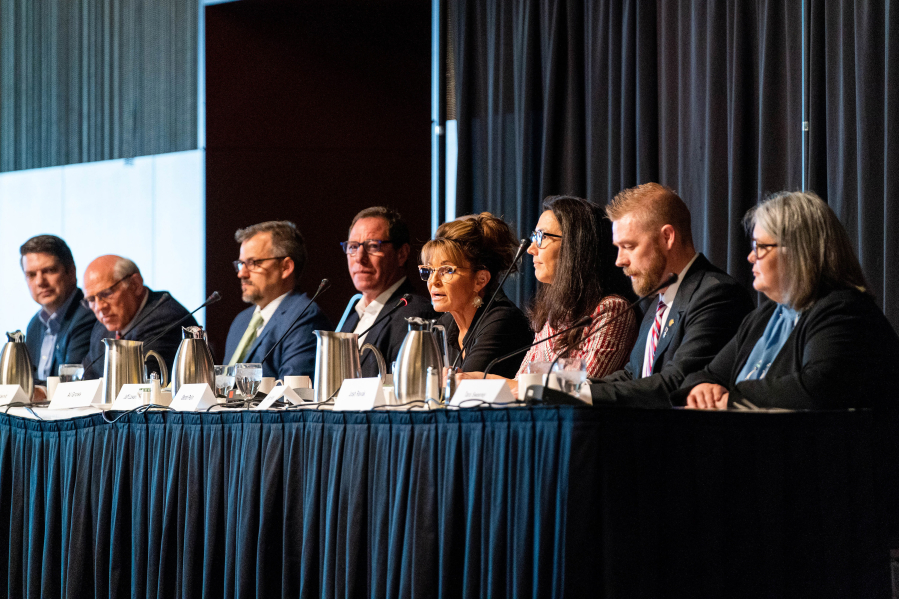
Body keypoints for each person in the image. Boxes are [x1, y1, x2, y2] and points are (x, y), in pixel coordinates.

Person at [678, 190, 899, 410]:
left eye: (760, 247)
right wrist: (702, 387)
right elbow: (705, 375)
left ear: (798, 252)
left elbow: (817, 388)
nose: (750, 256)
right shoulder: (761, 319)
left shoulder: (844, 312)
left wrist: (731, 399)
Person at [588, 183, 755, 407]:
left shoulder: (717, 296)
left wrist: (581, 396)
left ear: (667, 237)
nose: (619, 261)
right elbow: (633, 375)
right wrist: (565, 388)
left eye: (628, 246)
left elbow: (675, 383)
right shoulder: (660, 301)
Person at [420, 212, 533, 379]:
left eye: (447, 270)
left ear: (480, 280)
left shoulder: (502, 321)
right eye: (428, 270)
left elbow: (462, 388)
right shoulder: (444, 324)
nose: (433, 281)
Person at [224, 221, 331, 378]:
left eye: (253, 263)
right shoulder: (241, 321)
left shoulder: (304, 317)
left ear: (285, 267)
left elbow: (292, 394)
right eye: (241, 264)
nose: (242, 273)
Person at [338, 207, 436, 378]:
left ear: (401, 254)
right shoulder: (352, 318)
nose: (359, 258)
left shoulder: (414, 313)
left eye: (373, 246)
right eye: (353, 247)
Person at [81, 255, 197, 379]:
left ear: (135, 285)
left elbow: (139, 381)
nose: (99, 307)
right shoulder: (101, 329)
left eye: (107, 293)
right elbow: (87, 379)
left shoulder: (166, 318)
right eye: (91, 299)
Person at [20, 235, 96, 382]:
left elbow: (71, 385)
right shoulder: (35, 324)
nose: (40, 282)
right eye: (31, 275)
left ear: (71, 272)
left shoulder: (88, 314)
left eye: (49, 270)